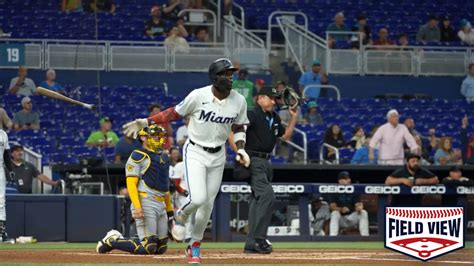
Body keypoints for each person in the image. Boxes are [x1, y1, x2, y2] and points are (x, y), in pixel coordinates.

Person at [122, 58, 249, 264]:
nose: (230, 78)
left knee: (207, 206)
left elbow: (239, 127)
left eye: (231, 74)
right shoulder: (198, 95)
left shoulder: (239, 100)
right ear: (215, 77)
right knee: (197, 199)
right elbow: (173, 112)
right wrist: (146, 121)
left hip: (219, 155)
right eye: (226, 74)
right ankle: (181, 215)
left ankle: (194, 245)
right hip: (196, 151)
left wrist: (241, 150)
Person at [96, 125, 173, 255]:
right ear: (143, 137)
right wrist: (137, 207)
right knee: (148, 246)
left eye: (159, 136)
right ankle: (112, 241)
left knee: (161, 248)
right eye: (154, 136)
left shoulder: (164, 157)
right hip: (145, 200)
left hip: (161, 203)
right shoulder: (138, 155)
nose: (158, 139)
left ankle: (129, 240)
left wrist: (170, 210)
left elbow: (164, 186)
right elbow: (131, 183)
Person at [242, 86, 297, 254]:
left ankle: (251, 243)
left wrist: (294, 118)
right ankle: (259, 238)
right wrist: (239, 151)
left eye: (275, 98)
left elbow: (285, 136)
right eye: (270, 98)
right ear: (260, 98)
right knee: (267, 196)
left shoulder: (274, 117)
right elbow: (234, 130)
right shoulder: (252, 113)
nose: (274, 101)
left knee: (257, 200)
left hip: (266, 162)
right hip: (254, 159)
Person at [329, 171, 369, 236]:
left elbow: (358, 204)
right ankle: (333, 237)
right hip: (341, 218)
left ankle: (365, 237)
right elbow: (332, 207)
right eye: (345, 179)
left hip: (352, 218)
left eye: (348, 178)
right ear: (340, 181)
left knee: (363, 212)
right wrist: (341, 209)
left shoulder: (354, 189)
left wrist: (359, 208)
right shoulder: (334, 190)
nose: (348, 180)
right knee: (334, 213)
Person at [168, 147, 193, 242]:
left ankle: (186, 237)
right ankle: (184, 237)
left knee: (192, 218)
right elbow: (176, 183)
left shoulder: (196, 165)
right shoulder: (180, 165)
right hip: (182, 196)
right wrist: (183, 192)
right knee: (186, 216)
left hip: (192, 195)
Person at [0, 129, 14, 242]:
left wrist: (10, 170)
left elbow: (6, 155)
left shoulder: (3, 134)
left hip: (0, 171)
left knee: (1, 201)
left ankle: (2, 233)